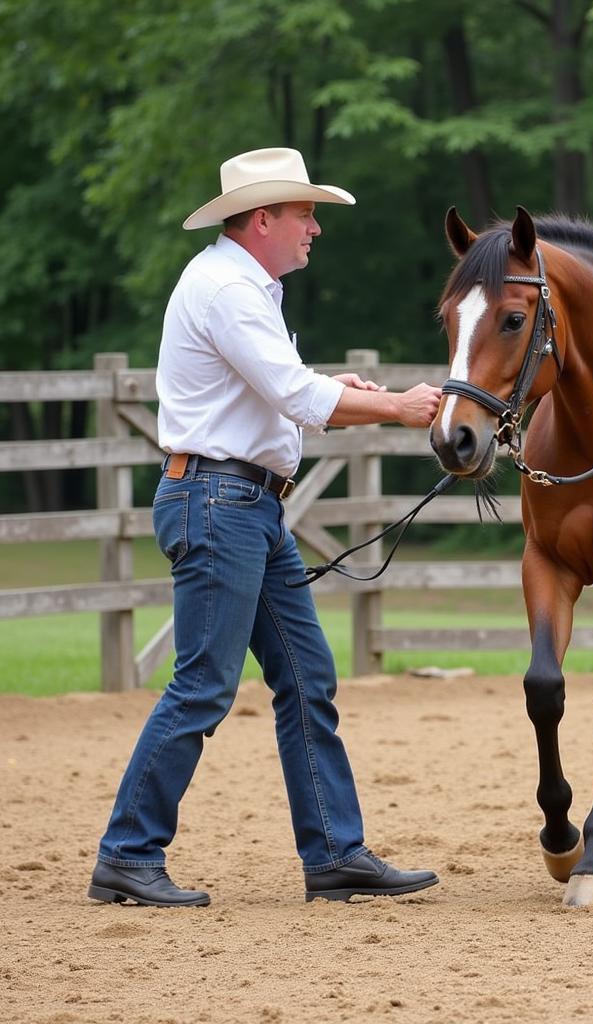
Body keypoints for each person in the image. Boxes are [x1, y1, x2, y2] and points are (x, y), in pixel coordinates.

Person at [88, 148, 442, 907]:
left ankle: (335, 854)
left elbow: (279, 390)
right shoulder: (230, 290)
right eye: (304, 213)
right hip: (222, 504)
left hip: (241, 505)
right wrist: (400, 407)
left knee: (306, 678)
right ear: (262, 221)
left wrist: (334, 387)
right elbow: (294, 395)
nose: (315, 227)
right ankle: (127, 852)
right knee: (204, 685)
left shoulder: (246, 285)